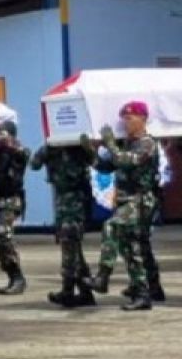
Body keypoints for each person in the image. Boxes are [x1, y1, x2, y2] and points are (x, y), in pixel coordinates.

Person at [84, 101, 159, 310]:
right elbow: (108, 167)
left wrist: (110, 144)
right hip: (127, 200)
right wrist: (90, 154)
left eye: (130, 118)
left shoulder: (147, 143)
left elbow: (125, 160)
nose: (126, 123)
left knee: (112, 226)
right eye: (124, 119)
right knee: (130, 247)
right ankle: (143, 292)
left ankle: (102, 277)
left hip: (141, 200)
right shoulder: (127, 144)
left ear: (143, 119)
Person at [29, 140, 98, 308]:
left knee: (69, 245)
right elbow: (34, 164)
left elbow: (96, 162)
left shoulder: (80, 146)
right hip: (61, 202)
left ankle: (67, 291)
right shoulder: (50, 148)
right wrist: (48, 146)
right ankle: (85, 291)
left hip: (77, 201)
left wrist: (85, 145)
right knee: (73, 248)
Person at [0, 119, 30, 295]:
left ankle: (18, 278)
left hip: (13, 199)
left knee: (3, 234)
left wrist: (8, 143)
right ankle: (12, 276)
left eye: (4, 133)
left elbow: (24, 154)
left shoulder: (18, 149)